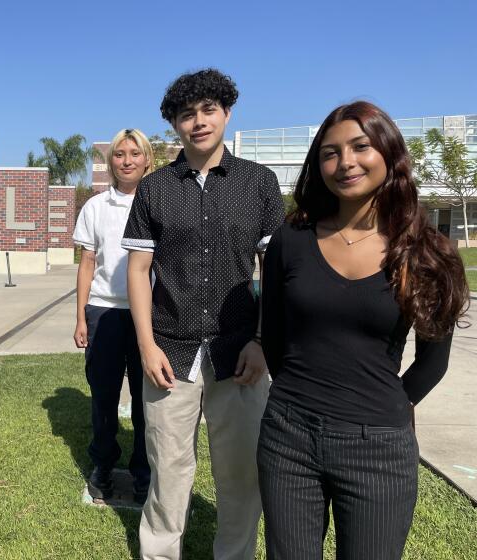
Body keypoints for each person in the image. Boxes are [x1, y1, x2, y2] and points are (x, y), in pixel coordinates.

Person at [258, 101, 470, 559]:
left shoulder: (428, 252)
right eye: (330, 153)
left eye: (360, 147)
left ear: (389, 153)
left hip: (378, 448)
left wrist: (391, 405)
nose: (346, 162)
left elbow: (433, 361)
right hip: (287, 436)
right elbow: (273, 336)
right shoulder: (291, 238)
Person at [122, 69, 285, 560]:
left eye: (208, 110)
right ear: (174, 123)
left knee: (240, 475)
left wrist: (262, 340)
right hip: (169, 351)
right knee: (168, 472)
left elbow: (274, 271)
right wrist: (147, 346)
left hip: (241, 352)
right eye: (186, 114)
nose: (198, 122)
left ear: (227, 112)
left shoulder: (259, 182)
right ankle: (158, 553)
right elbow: (138, 270)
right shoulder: (154, 189)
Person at [72, 128, 154, 504]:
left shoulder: (160, 203)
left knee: (145, 401)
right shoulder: (95, 207)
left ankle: (143, 472)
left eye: (134, 153)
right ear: (111, 162)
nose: (127, 160)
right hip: (104, 312)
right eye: (120, 154)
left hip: (148, 317)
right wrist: (80, 317)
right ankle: (103, 465)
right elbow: (87, 264)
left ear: (147, 159)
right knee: (103, 399)